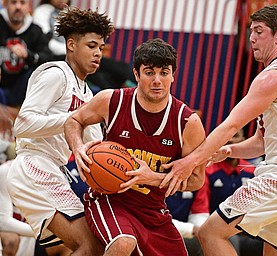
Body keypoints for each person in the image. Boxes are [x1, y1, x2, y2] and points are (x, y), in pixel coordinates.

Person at [161, 4, 277, 256]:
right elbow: (263, 142)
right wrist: (231, 149)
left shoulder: (273, 76)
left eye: (259, 31)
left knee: (210, 232)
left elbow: (231, 125)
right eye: (251, 31)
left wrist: (190, 160)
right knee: (275, 251)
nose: (251, 38)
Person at [64, 38, 206, 255]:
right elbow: (74, 121)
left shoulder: (187, 122)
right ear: (137, 74)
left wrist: (152, 178)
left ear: (173, 75)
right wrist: (78, 147)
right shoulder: (112, 101)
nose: (157, 80)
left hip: (153, 210)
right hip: (109, 200)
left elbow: (196, 180)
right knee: (123, 242)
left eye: (164, 72)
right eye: (149, 72)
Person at [6, 6, 114, 255]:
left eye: (100, 47)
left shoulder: (88, 94)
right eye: (91, 46)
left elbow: (95, 149)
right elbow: (22, 125)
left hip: (54, 170)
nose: (98, 53)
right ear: (71, 45)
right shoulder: (56, 74)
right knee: (89, 245)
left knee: (66, 250)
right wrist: (74, 119)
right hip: (33, 166)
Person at [32, 0, 136, 91]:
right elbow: (45, 42)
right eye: (92, 46)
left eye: (101, 48)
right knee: (98, 76)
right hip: (60, 55)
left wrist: (86, 48)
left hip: (79, 50)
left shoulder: (71, 11)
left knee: (118, 69)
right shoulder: (43, 11)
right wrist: (73, 49)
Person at [0, 0, 53, 114]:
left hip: (22, 90)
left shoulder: (35, 31)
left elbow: (47, 57)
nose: (18, 7)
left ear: (28, 6)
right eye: (13, 2)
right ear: (5, 4)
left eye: (22, 2)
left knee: (38, 72)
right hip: (1, 87)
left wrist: (28, 55)